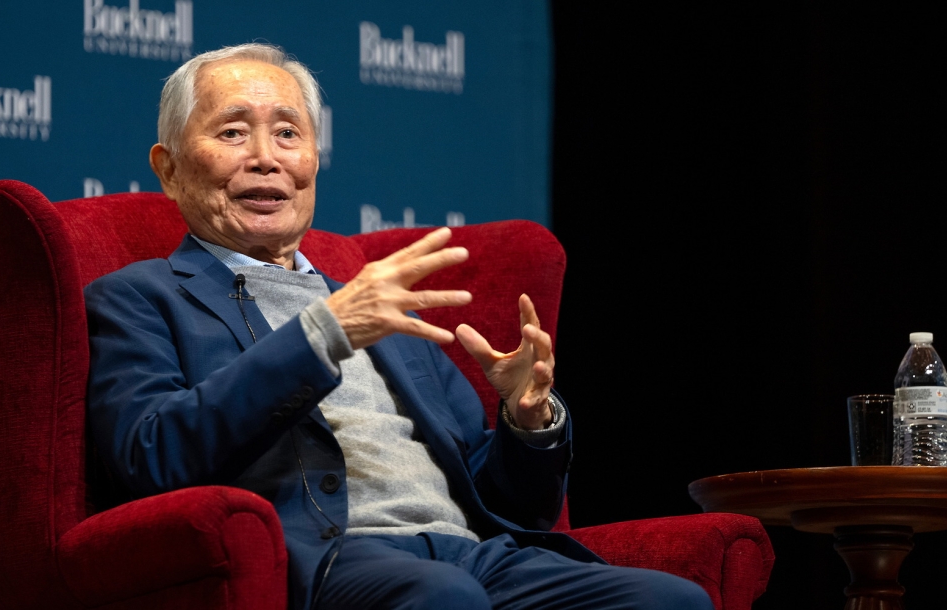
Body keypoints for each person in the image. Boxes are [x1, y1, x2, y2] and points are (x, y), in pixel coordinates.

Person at [84, 43, 712, 610]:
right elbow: (152, 457)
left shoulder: (380, 309)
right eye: (232, 132)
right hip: (329, 559)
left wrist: (526, 422)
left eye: (287, 134)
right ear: (168, 169)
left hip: (470, 553)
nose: (266, 159)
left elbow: (509, 503)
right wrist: (325, 333)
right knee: (445, 598)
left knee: (670, 601)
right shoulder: (139, 299)